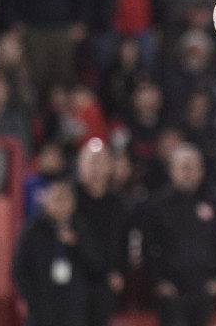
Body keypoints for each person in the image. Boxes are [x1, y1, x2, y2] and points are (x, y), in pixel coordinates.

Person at [142, 143, 216, 326]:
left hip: (203, 287)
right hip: (172, 289)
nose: (188, 173)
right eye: (183, 167)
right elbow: (147, 247)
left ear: (201, 171)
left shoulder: (210, 202)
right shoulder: (157, 205)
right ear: (172, 170)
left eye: (192, 167)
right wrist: (158, 282)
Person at [12, 180, 102, 326]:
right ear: (46, 203)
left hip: (73, 307)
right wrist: (32, 298)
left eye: (65, 199)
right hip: (42, 306)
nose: (61, 204)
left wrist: (76, 244)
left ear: (73, 205)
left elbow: (96, 265)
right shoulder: (32, 230)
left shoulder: (82, 229)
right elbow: (19, 268)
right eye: (56, 199)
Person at [74, 138, 128, 326]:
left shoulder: (117, 203)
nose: (96, 168)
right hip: (73, 280)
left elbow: (123, 241)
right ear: (80, 166)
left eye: (101, 162)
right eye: (91, 162)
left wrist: (120, 271)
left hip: (106, 280)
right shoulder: (70, 199)